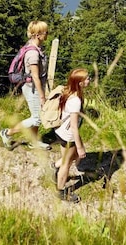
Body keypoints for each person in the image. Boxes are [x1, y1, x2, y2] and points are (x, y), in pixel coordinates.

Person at [0, 20, 51, 150]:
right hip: (32, 88)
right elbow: (35, 76)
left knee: (37, 115)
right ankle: (7, 133)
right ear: (38, 34)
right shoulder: (33, 53)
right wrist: (42, 96)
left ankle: (34, 140)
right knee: (37, 118)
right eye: (46, 32)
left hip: (35, 87)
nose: (47, 34)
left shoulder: (34, 47)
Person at [52, 68, 90, 203]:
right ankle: (61, 190)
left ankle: (56, 166)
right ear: (80, 83)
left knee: (69, 157)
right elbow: (74, 126)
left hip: (60, 131)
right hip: (68, 135)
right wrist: (80, 147)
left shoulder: (69, 92)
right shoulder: (75, 101)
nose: (89, 80)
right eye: (86, 78)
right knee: (67, 163)